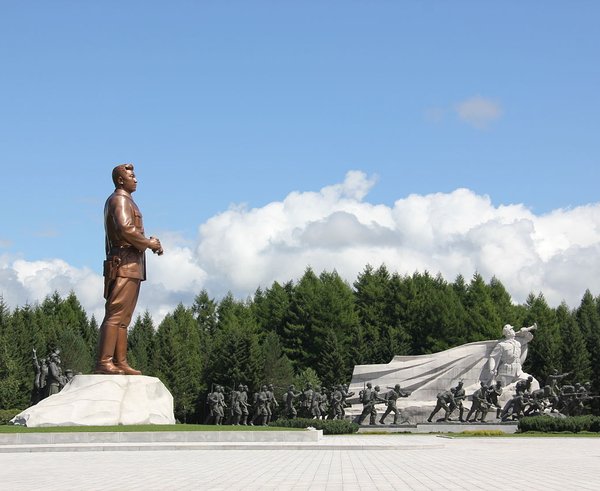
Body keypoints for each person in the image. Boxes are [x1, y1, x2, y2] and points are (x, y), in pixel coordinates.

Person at [95, 163, 163, 375]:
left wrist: (148, 243)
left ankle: (120, 361)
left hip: (132, 264)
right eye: (131, 176)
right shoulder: (119, 200)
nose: (136, 179)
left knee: (124, 319)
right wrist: (148, 243)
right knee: (116, 315)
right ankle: (104, 362)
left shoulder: (126, 200)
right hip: (123, 263)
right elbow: (125, 229)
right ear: (120, 180)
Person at [487, 323, 538, 388]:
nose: (513, 330)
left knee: (532, 382)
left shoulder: (518, 342)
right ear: (508, 333)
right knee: (501, 390)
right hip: (506, 373)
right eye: (511, 329)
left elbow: (528, 338)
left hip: (518, 372)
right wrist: (491, 369)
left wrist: (525, 332)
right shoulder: (501, 345)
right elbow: (493, 357)